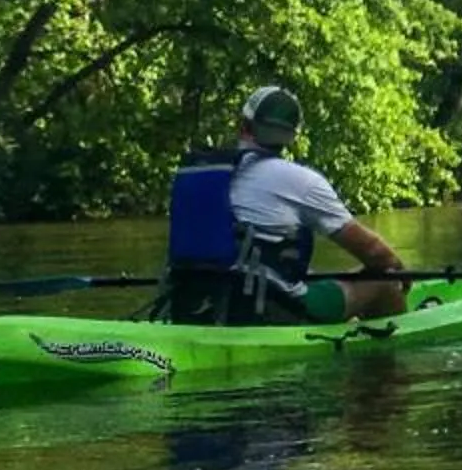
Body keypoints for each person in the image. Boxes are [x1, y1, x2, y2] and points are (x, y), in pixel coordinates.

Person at [163, 85, 408, 323]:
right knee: (383, 281)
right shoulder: (301, 181)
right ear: (291, 137)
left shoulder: (203, 173)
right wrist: (397, 269)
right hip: (267, 312)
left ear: (243, 125)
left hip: (190, 306)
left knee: (311, 278)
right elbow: (375, 253)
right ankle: (389, 351)